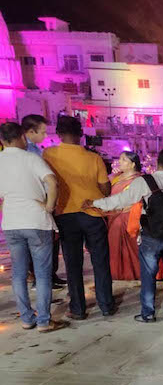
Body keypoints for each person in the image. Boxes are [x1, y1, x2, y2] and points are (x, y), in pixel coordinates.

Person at [90, 149, 163, 322]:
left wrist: (94, 203)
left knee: (148, 275)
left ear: (157, 162)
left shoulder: (145, 182)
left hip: (151, 236)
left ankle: (148, 313)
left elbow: (120, 200)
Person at [43, 115, 115, 320]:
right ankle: (106, 305)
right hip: (92, 214)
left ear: (57, 134)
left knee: (73, 263)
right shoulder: (94, 158)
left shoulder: (48, 155)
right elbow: (106, 188)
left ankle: (77, 308)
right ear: (81, 134)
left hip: (65, 214)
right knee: (100, 261)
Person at [0, 122, 64, 332]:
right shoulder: (31, 158)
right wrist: (49, 206)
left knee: (18, 273)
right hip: (36, 221)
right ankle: (44, 321)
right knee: (42, 273)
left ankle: (27, 318)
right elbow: (52, 182)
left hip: (11, 223)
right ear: (21, 136)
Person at [22, 113, 66, 287]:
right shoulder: (27, 151)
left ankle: (49, 274)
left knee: (51, 240)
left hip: (44, 200)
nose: (45, 136)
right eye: (42, 132)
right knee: (40, 242)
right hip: (37, 201)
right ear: (31, 132)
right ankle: (39, 277)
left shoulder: (36, 149)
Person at [106, 151, 143, 280]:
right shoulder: (115, 177)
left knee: (130, 248)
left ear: (133, 164)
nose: (119, 162)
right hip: (113, 216)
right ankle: (116, 274)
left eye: (124, 160)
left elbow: (138, 200)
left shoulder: (137, 180)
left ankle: (133, 274)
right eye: (120, 159)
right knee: (114, 247)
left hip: (127, 217)